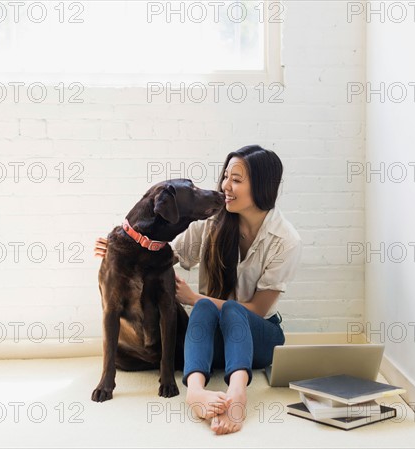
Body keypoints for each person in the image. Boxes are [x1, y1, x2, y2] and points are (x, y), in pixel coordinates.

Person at [94, 145, 302, 435]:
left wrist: (193, 298)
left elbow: (257, 310)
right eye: (226, 177)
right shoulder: (209, 225)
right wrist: (121, 249)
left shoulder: (285, 239)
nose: (226, 186)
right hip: (211, 340)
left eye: (237, 180)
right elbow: (159, 252)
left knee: (224, 307)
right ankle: (195, 392)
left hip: (259, 338)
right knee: (204, 309)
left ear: (263, 187)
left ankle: (238, 393)